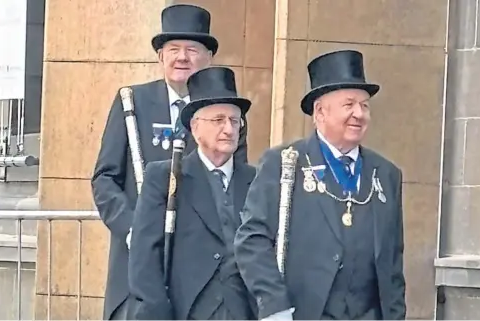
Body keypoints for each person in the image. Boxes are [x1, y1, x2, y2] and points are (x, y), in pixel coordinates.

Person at [91, 4, 247, 320]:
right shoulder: (131, 103)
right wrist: (133, 227)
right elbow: (105, 178)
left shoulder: (227, 115)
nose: (182, 58)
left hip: (201, 279)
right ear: (160, 56)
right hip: (138, 269)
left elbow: (231, 185)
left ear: (209, 58)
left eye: (192, 49)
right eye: (173, 49)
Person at [234, 50, 406, 320]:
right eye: (348, 104)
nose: (358, 114)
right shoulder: (284, 164)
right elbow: (251, 241)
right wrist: (274, 307)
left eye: (365, 105)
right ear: (320, 112)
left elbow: (393, 266)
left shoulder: (386, 175)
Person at [128, 66, 256, 320]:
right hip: (186, 310)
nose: (229, 129)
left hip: (243, 311)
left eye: (234, 120)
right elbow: (145, 259)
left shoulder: (256, 180)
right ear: (196, 128)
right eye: (219, 120)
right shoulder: (165, 178)